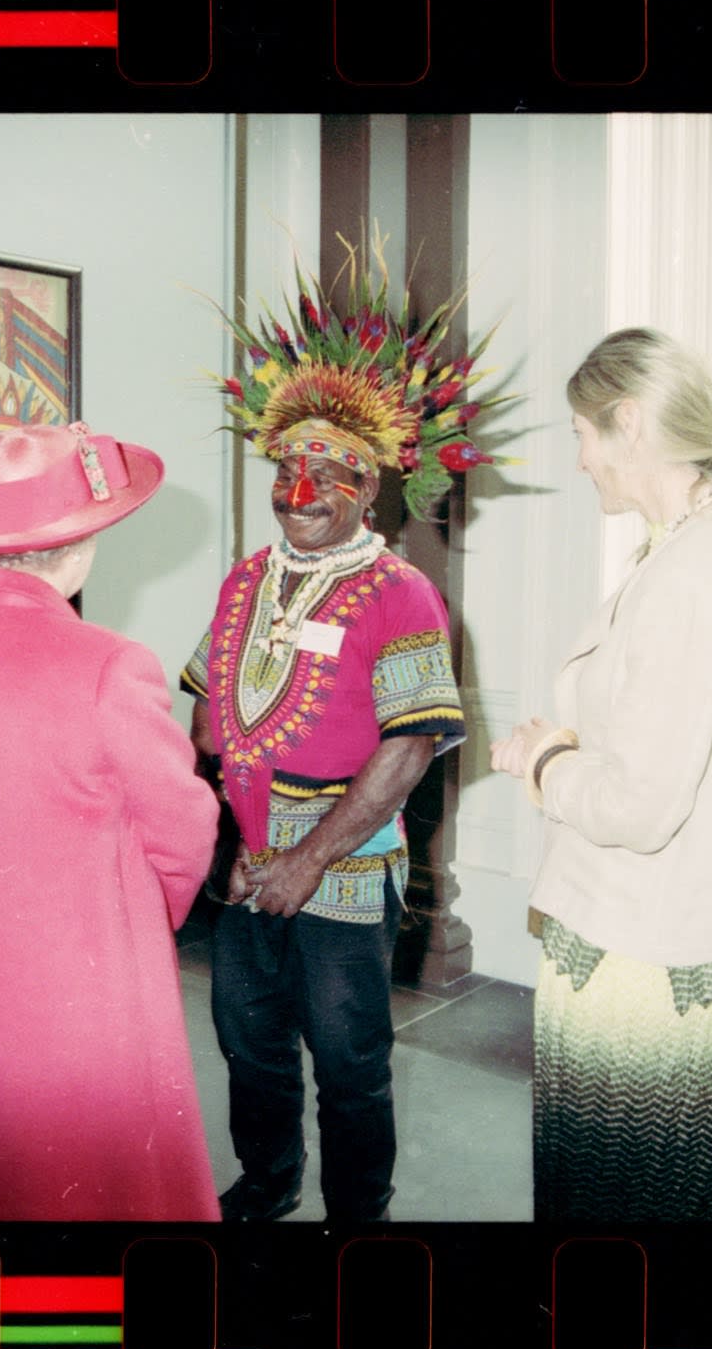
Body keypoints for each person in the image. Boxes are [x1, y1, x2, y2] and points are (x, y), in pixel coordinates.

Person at [185, 247, 517, 1223]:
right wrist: (222, 838)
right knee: (246, 1040)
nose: (305, 484)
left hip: (339, 868)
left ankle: (357, 1212)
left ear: (369, 488)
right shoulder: (246, 577)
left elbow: (409, 747)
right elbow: (206, 711)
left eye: (332, 469)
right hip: (247, 864)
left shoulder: (402, 592)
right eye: (291, 465)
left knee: (347, 1058)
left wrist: (302, 860)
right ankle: (269, 1180)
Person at [491, 326, 712, 1222]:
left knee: (611, 1206)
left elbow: (640, 805)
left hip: (642, 966)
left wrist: (547, 759)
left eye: (583, 434)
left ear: (628, 422)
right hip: (695, 945)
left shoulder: (692, 574)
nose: (581, 459)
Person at [0, 421, 221, 1221]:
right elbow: (187, 831)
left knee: (10, 1163)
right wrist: (149, 918)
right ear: (75, 549)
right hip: (91, 971)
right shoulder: (111, 665)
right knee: (119, 1171)